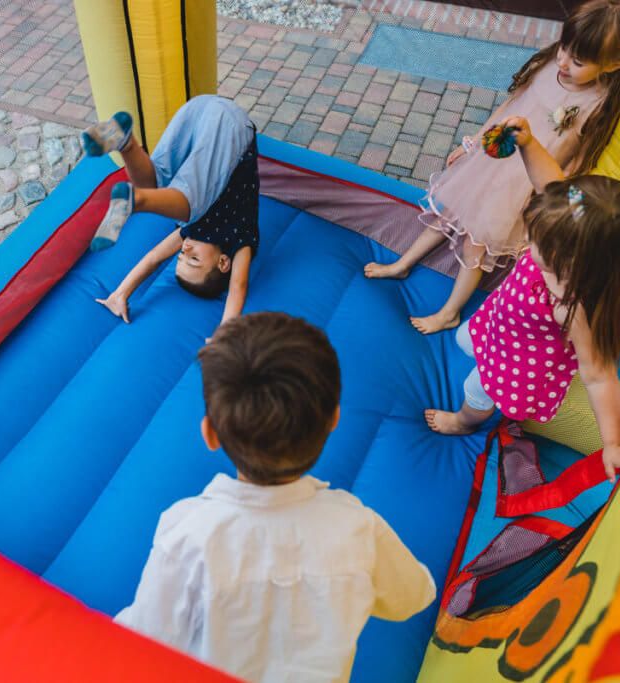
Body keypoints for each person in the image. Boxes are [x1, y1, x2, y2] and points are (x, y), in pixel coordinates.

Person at [116, 312, 436, 683]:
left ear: (210, 434)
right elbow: (413, 597)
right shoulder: (358, 529)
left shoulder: (188, 532)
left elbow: (143, 638)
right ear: (334, 419)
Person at [364, 0, 620, 335]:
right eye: (563, 48)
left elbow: (577, 161)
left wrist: (550, 200)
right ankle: (402, 264)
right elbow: (511, 104)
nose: (563, 61)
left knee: (477, 242)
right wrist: (473, 141)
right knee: (451, 210)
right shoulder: (551, 66)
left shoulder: (598, 104)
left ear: (617, 62)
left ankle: (449, 312)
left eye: (577, 61)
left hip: (520, 184)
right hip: (492, 160)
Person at [424, 116, 620, 483]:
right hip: (499, 323)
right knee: (470, 339)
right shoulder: (570, 219)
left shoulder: (575, 307)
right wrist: (528, 144)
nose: (529, 240)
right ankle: (477, 360)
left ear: (575, 261)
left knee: (477, 392)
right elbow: (550, 183)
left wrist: (611, 442)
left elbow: (598, 376)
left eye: (539, 242)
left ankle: (462, 422)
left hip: (517, 363)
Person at [83, 95, 259, 331]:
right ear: (223, 262)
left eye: (181, 257)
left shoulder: (190, 235)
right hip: (231, 128)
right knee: (189, 207)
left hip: (198, 111)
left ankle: (126, 143)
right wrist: (224, 335)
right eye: (194, 259)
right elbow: (238, 286)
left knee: (156, 182)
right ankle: (136, 201)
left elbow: (154, 257)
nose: (185, 250)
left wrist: (121, 293)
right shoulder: (241, 240)